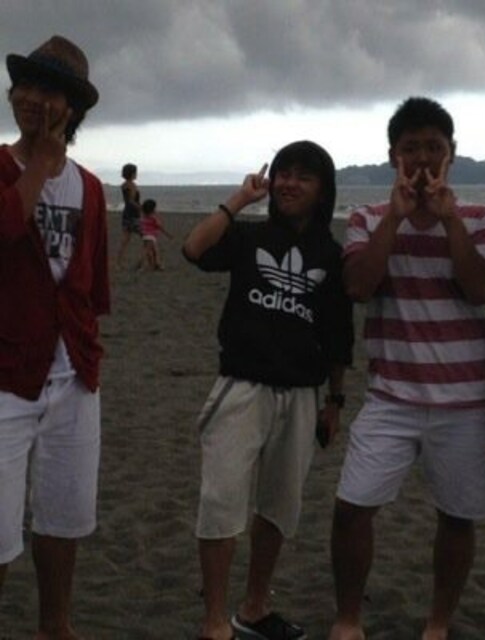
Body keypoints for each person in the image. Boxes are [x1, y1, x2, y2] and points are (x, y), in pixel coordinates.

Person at [328, 97, 485, 640]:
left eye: (434, 148)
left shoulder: (479, 217)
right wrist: (396, 218)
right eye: (411, 149)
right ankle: (348, 619)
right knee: (352, 508)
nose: (423, 160)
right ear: (393, 156)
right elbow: (359, 286)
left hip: (465, 400)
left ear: (452, 153)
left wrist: (448, 219)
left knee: (457, 516)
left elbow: (479, 290)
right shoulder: (368, 218)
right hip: (391, 396)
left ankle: (438, 623)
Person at [183, 140, 354, 640]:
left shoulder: (331, 255)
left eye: (303, 176)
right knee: (220, 502)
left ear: (323, 190)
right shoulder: (250, 237)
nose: (288, 184)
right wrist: (239, 199)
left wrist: (335, 401)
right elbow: (194, 249)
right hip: (241, 386)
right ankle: (215, 621)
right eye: (283, 173)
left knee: (279, 507)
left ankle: (255, 608)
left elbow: (338, 335)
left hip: (302, 394)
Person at [0, 35, 109, 638]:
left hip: (74, 375)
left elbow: (91, 284)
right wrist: (39, 164)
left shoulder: (90, 188)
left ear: (73, 108)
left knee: (64, 518)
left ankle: (56, 627)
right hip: (6, 374)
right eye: (25, 84)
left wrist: (86, 351)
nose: (32, 98)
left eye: (49, 90)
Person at [115, 161, 141, 268]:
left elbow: (128, 200)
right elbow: (131, 201)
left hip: (126, 213)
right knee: (147, 237)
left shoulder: (123, 185)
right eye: (135, 172)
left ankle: (118, 263)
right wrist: (142, 208)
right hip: (134, 215)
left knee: (125, 240)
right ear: (132, 173)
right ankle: (148, 262)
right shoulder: (132, 185)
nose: (136, 174)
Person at [139, 198, 172, 270]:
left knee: (151, 250)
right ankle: (148, 264)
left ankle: (154, 264)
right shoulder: (153, 218)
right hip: (151, 236)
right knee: (151, 251)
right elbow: (159, 226)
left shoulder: (143, 217)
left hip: (145, 236)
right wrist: (168, 234)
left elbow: (141, 226)